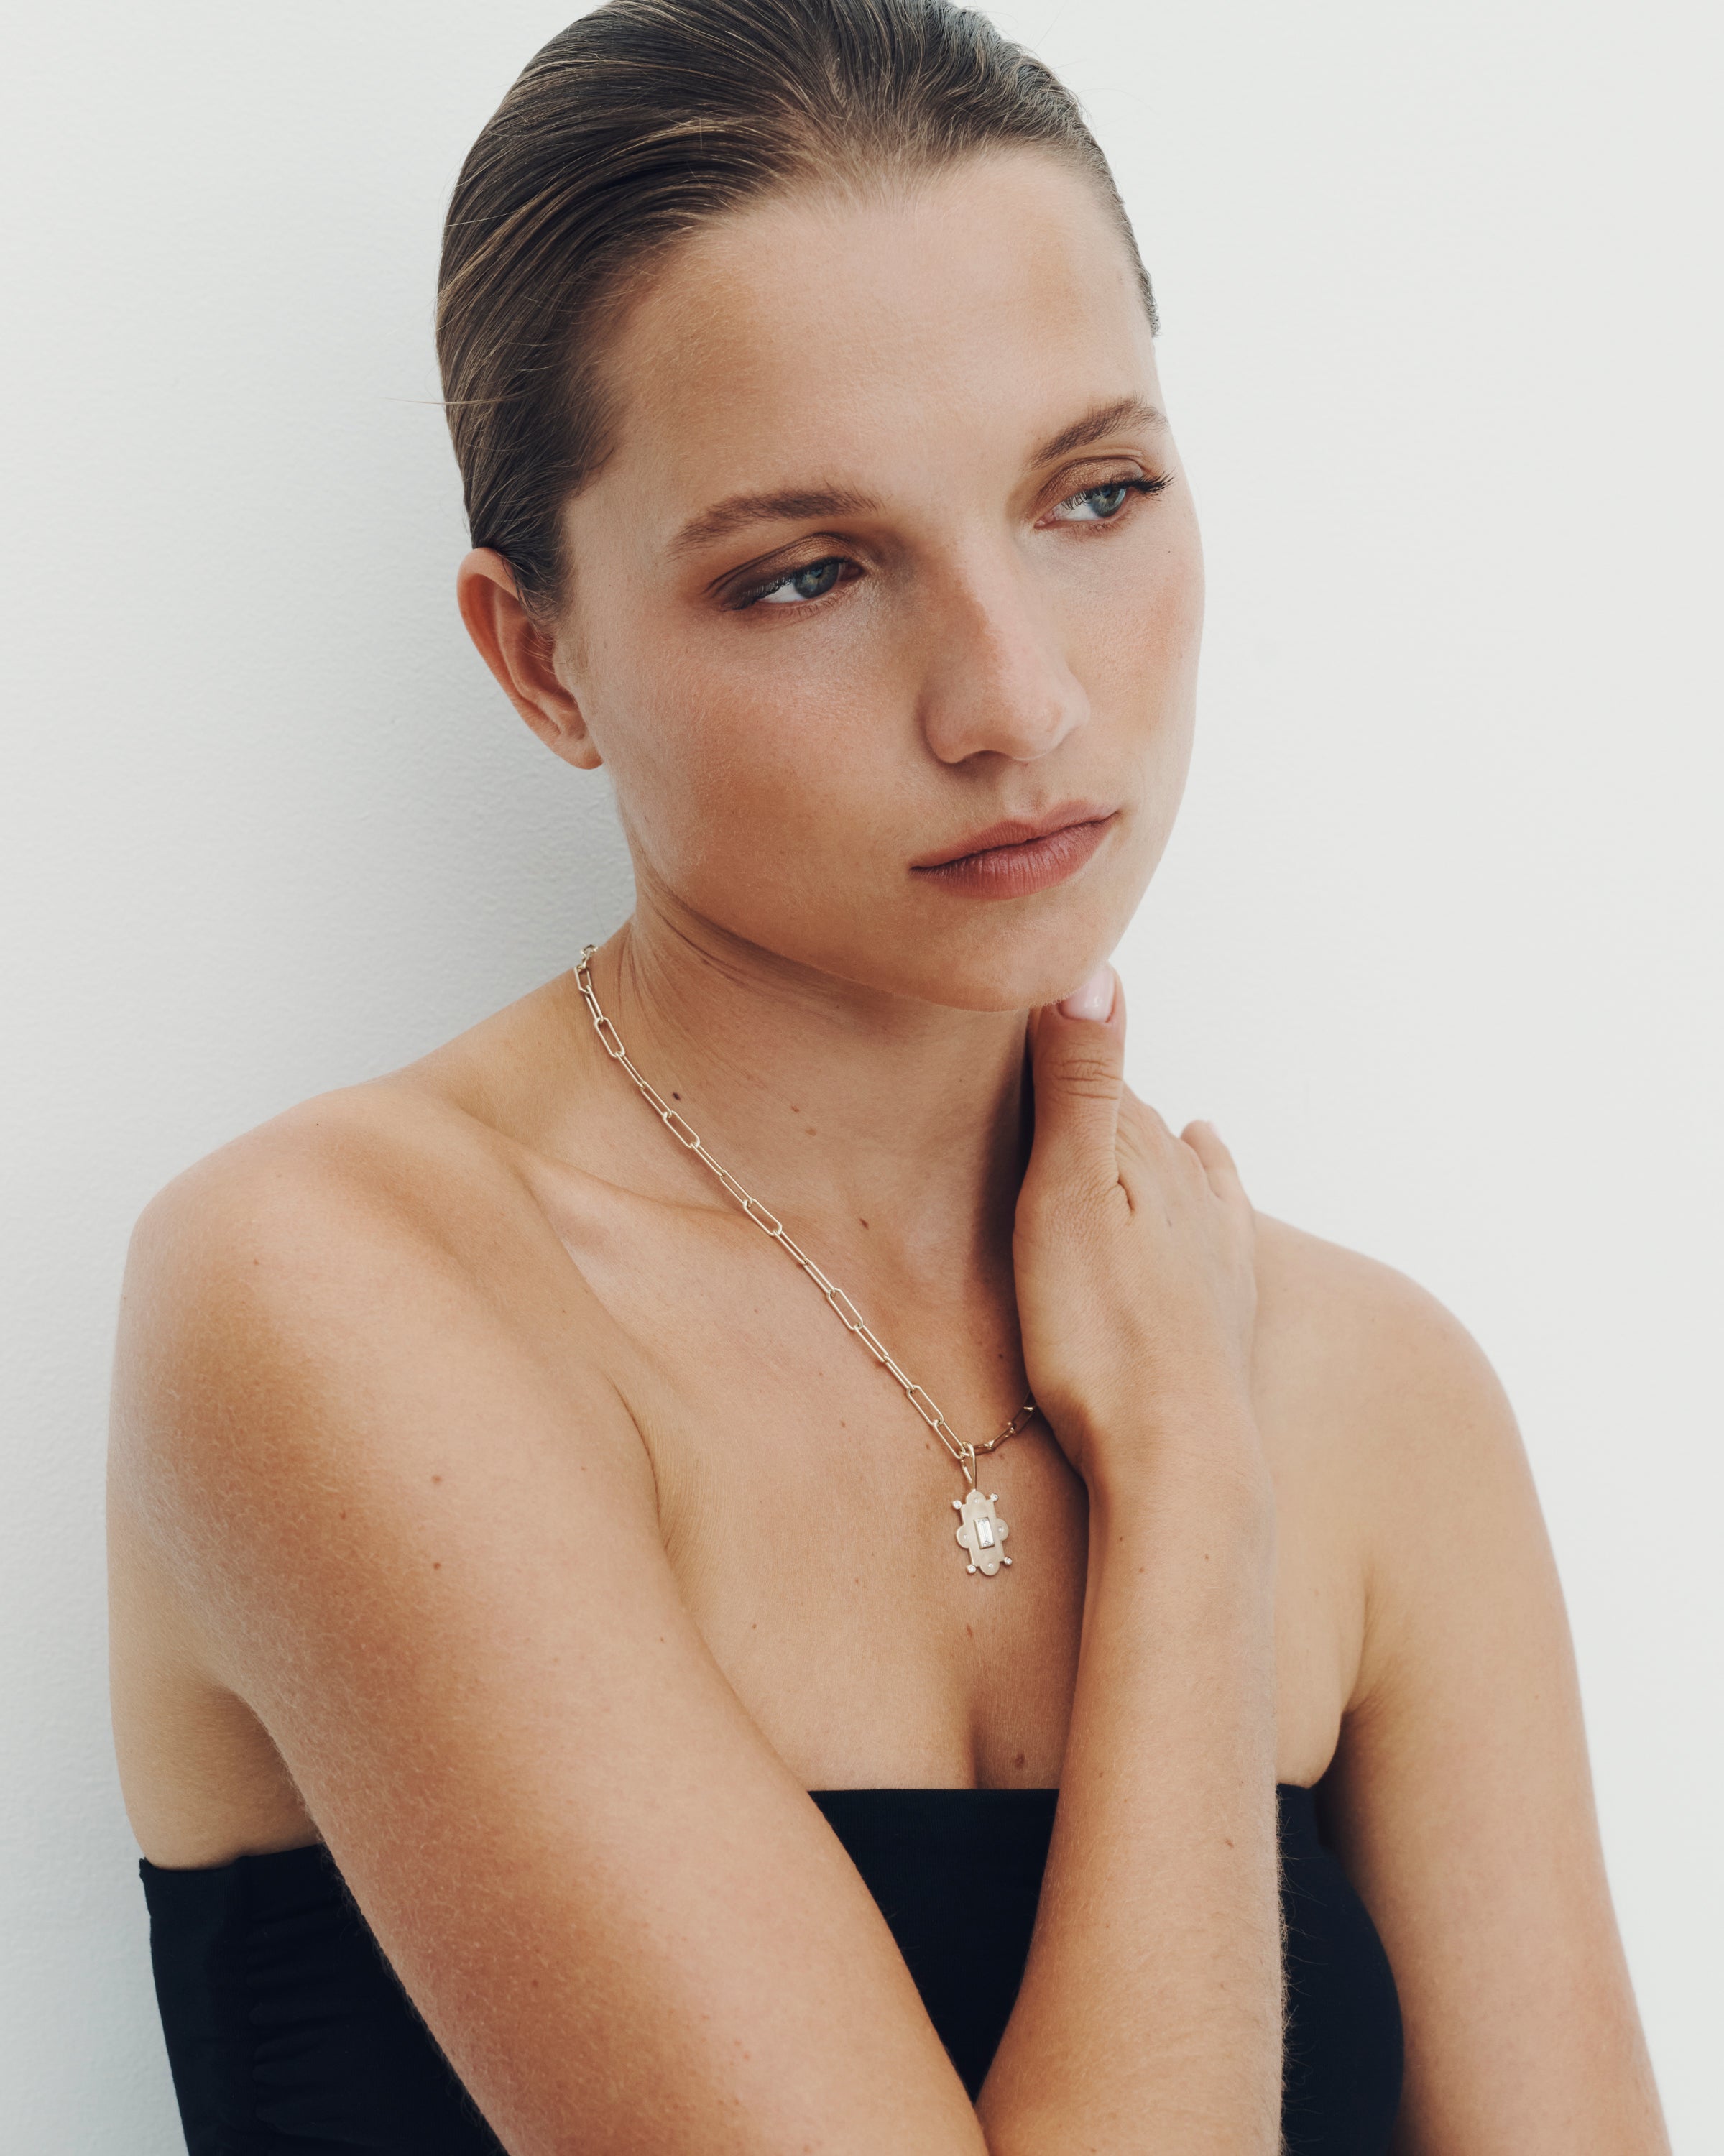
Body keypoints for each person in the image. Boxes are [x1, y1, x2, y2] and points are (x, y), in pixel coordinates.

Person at [106, 4, 1669, 2151]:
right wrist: (1195, 1512)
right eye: (812, 572)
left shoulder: (1382, 1393)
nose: (1017, 700)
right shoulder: (336, 1290)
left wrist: (1221, 1418)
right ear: (539, 654)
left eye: (1093, 492)